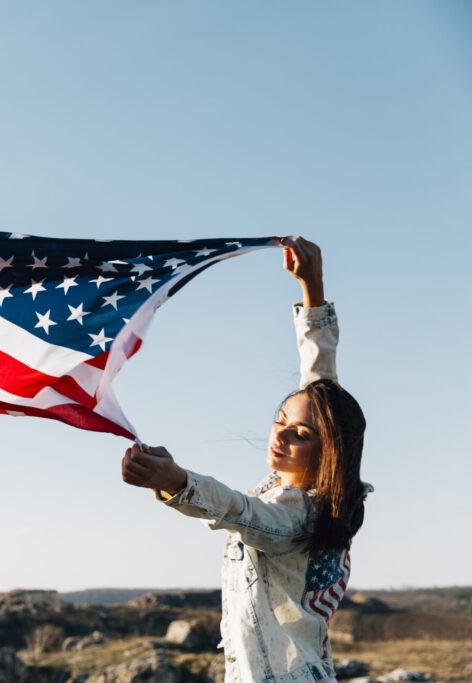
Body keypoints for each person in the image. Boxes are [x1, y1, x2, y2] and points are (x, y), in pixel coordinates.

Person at [120, 236, 371, 683]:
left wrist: (179, 482)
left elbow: (242, 512)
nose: (281, 435)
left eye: (300, 435)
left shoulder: (301, 514)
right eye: (280, 421)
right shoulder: (319, 493)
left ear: (328, 451)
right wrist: (312, 289)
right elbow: (320, 382)